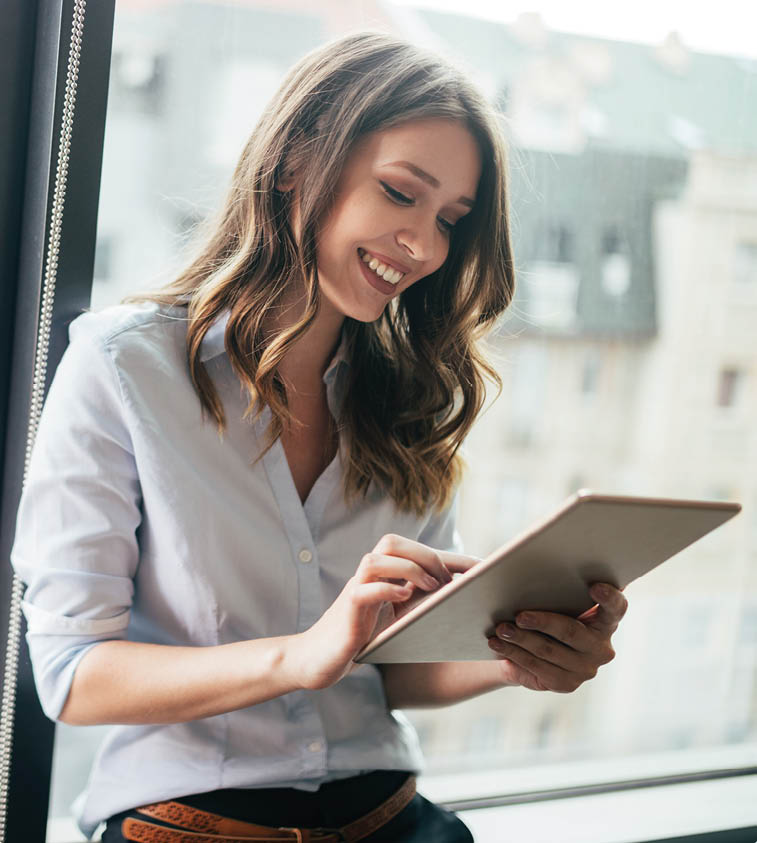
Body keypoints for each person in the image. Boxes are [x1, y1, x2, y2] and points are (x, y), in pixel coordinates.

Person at [11, 31, 627, 842]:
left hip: (394, 816)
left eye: (449, 219)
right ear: (299, 159)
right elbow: (71, 674)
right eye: (401, 193)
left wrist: (520, 658)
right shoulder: (123, 367)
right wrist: (300, 653)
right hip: (190, 820)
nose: (425, 246)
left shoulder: (406, 396)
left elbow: (393, 668)